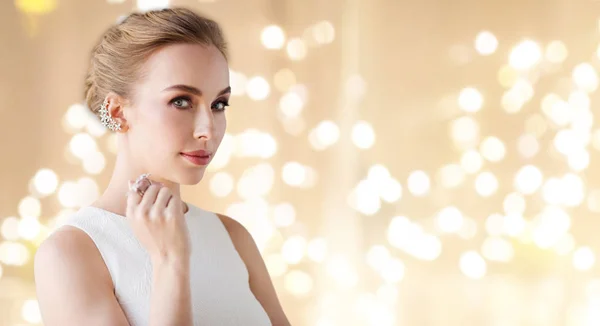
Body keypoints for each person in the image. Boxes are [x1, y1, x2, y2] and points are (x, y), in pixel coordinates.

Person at [34, 7, 290, 326]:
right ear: (117, 112)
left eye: (218, 104)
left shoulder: (233, 236)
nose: (207, 129)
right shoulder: (71, 253)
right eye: (181, 101)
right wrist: (170, 262)